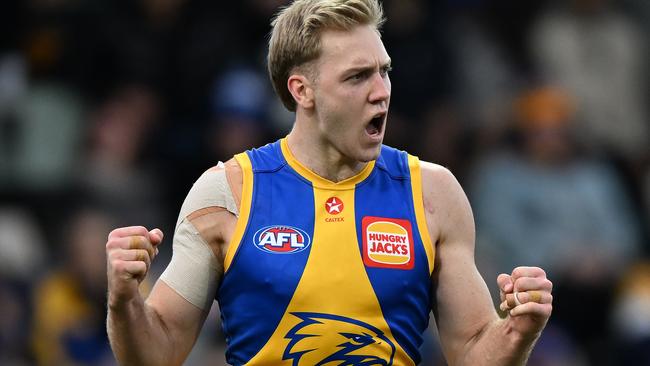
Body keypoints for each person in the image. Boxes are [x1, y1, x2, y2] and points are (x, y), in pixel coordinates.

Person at [106, 1, 553, 365]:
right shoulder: (227, 193)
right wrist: (124, 301)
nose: (381, 91)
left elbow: (473, 350)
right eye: (358, 76)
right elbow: (156, 352)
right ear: (302, 91)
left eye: (385, 70)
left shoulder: (433, 193)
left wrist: (517, 330)